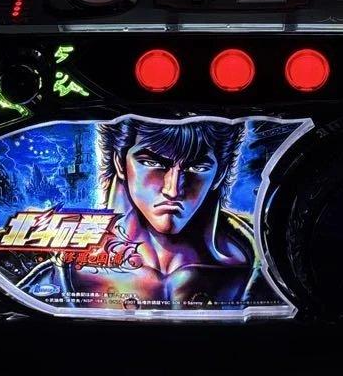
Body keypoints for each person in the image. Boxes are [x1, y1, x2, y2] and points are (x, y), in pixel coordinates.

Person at [15, 117, 273, 310]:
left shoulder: (261, 260)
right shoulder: (65, 267)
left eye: (197, 167)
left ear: (220, 174)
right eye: (152, 163)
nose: (173, 190)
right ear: (120, 162)